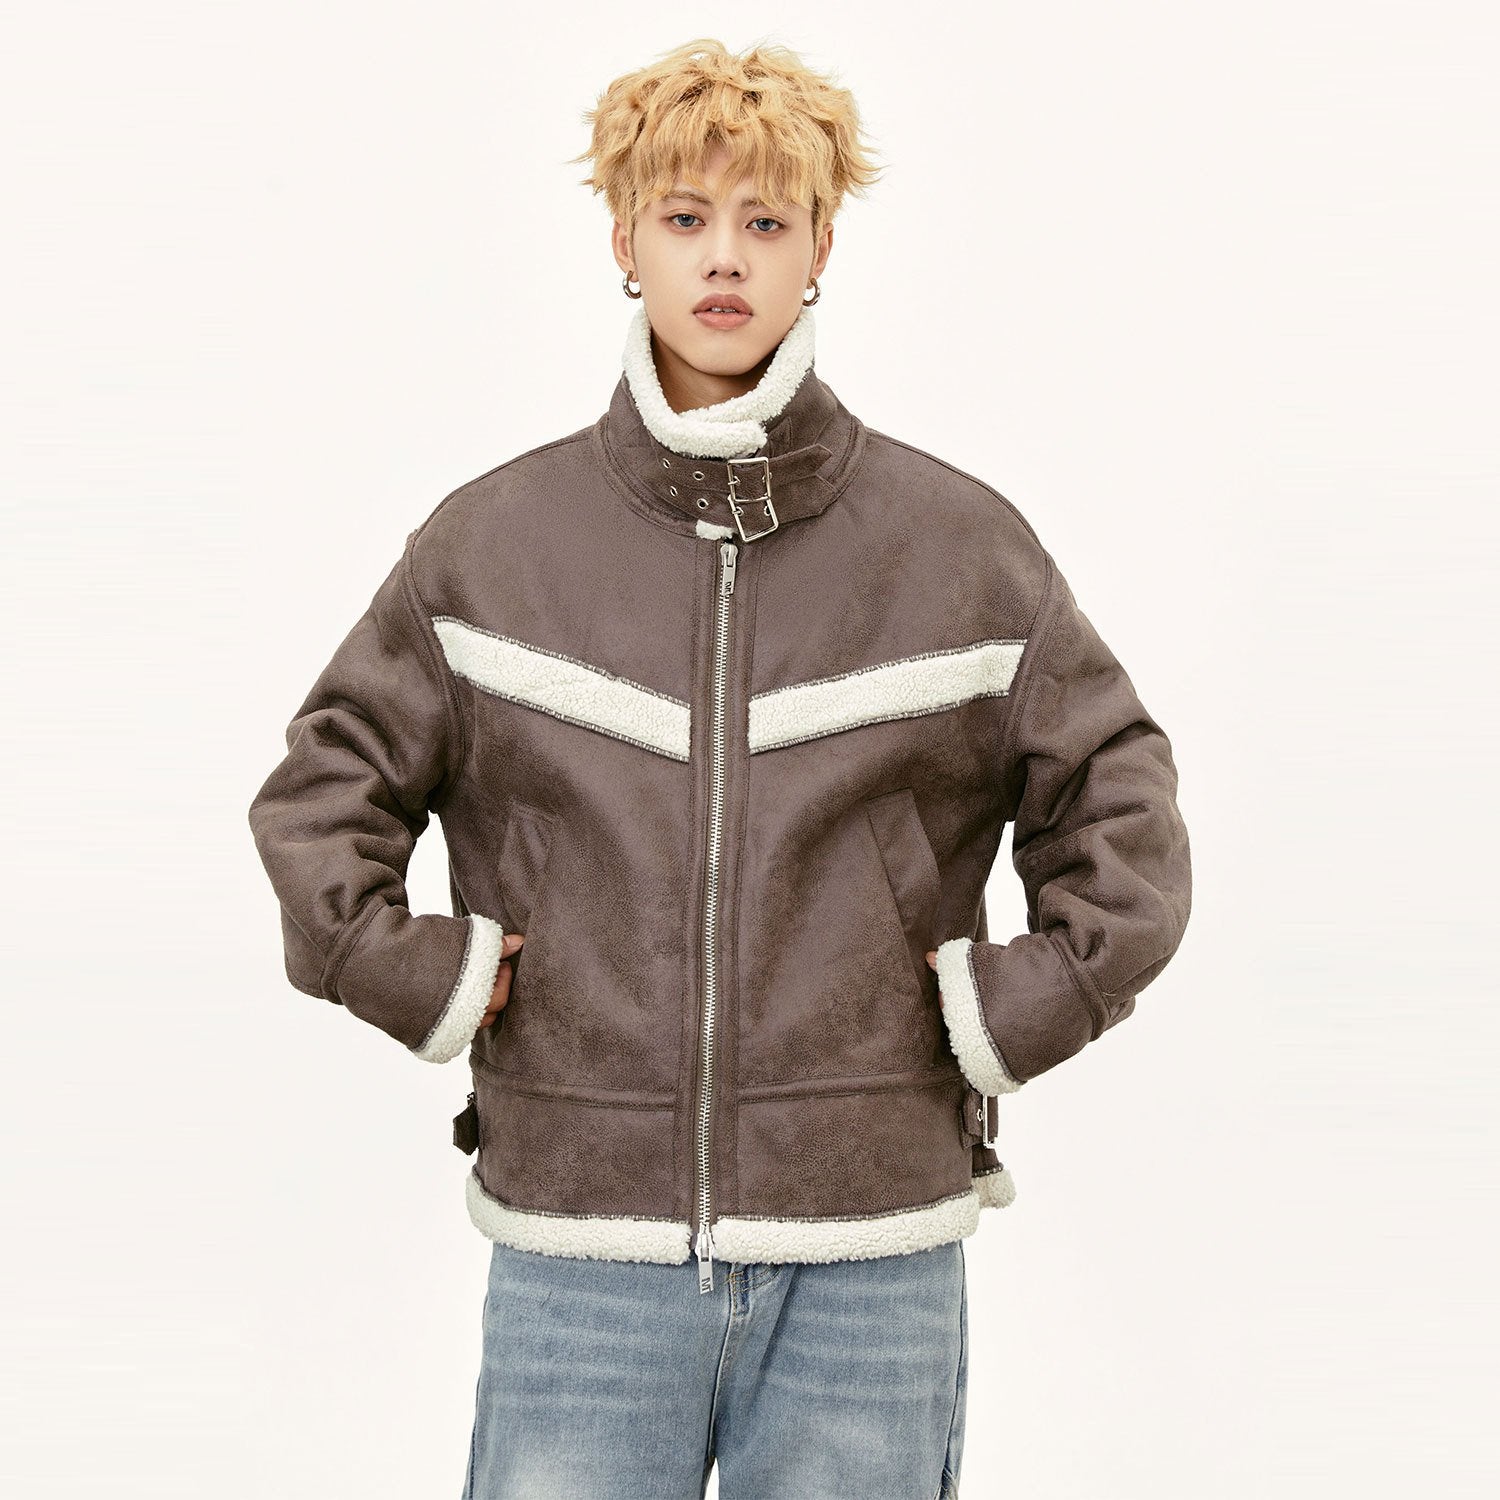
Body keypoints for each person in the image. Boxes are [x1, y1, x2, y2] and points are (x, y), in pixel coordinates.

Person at [247, 36, 1192, 1500]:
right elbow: (324, 797)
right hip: (582, 1259)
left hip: (869, 1261)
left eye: (766, 219)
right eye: (685, 217)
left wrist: (1011, 1007)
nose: (725, 257)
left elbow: (1120, 801)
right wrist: (426, 974)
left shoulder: (959, 552)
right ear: (624, 241)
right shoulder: (492, 551)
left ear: (823, 248)